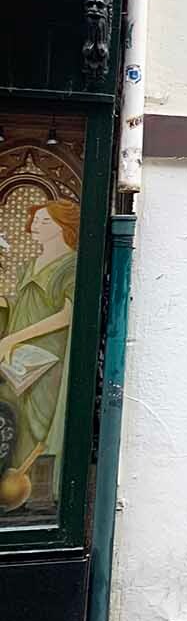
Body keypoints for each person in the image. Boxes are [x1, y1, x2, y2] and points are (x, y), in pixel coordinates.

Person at [0, 199, 79, 512]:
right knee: (14, 414)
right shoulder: (30, 265)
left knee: (40, 419)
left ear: (62, 226)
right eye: (35, 220)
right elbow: (23, 305)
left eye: (45, 221)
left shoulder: (71, 265)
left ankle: (38, 494)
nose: (35, 225)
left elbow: (66, 315)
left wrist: (14, 338)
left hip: (47, 357)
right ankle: (13, 490)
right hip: (16, 354)